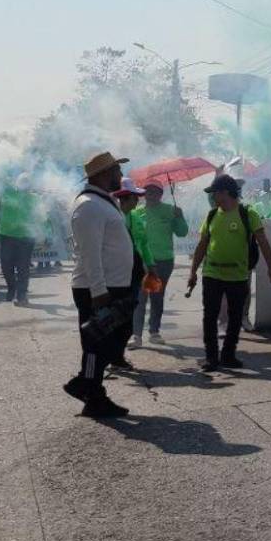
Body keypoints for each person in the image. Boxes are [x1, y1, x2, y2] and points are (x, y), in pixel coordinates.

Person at [63, 151, 134, 418]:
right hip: (98, 288)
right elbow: (90, 253)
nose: (121, 175)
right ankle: (93, 394)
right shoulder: (89, 206)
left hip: (111, 285)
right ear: (105, 174)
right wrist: (99, 291)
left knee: (109, 341)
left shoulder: (101, 202)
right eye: (117, 170)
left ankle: (86, 383)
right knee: (96, 345)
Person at [186, 174, 271, 372]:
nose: (213, 198)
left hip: (238, 275)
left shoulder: (248, 214)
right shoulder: (211, 215)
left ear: (225, 192)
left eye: (215, 193)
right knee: (209, 317)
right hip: (212, 273)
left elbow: (263, 242)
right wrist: (193, 271)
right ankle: (211, 358)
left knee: (235, 317)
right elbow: (202, 245)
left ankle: (228, 355)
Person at [133, 182, 187, 345]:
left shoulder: (171, 210)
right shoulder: (136, 213)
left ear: (160, 194)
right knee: (140, 298)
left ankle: (154, 331)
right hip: (142, 262)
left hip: (163, 261)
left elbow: (182, 232)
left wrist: (180, 217)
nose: (151, 194)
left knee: (157, 296)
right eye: (147, 191)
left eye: (155, 191)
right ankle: (136, 335)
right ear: (143, 194)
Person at [113, 178, 152, 367]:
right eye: (135, 197)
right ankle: (113, 357)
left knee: (128, 316)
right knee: (116, 317)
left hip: (135, 272)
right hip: (117, 274)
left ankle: (118, 356)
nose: (138, 201)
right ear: (125, 198)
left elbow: (144, 244)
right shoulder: (113, 217)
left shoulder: (136, 217)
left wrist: (150, 266)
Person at [0, 174, 40, 305]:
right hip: (7, 235)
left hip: (26, 237)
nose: (25, 184)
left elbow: (40, 216)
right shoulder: (8, 192)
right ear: (16, 183)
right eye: (22, 181)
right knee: (6, 266)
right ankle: (12, 288)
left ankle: (21, 295)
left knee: (23, 267)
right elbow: (2, 177)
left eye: (27, 182)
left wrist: (45, 234)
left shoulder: (34, 198)